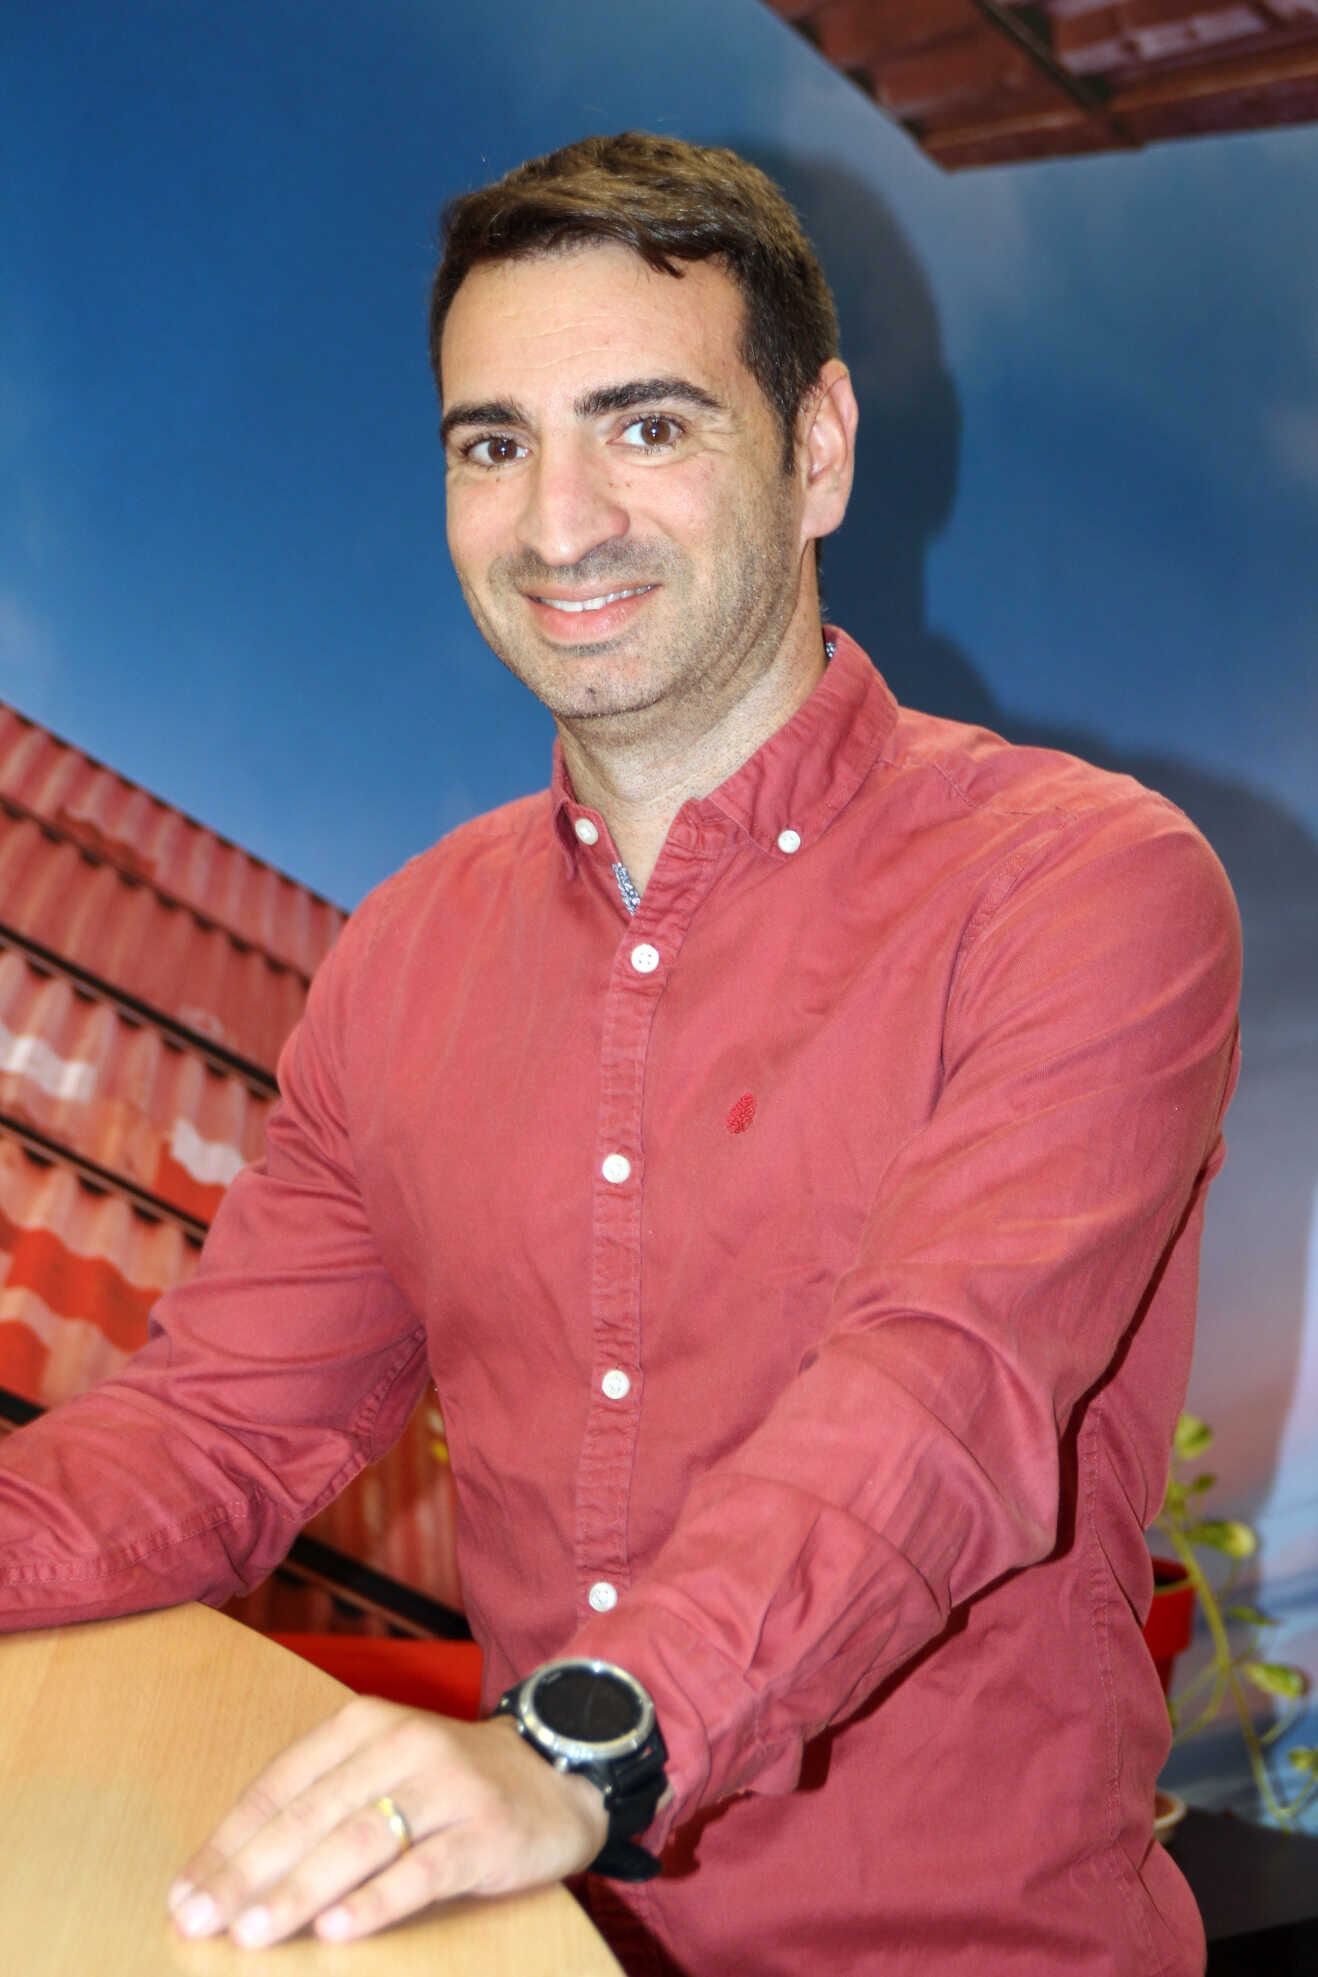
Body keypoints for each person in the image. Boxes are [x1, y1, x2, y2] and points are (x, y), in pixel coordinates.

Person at [0, 133, 1240, 1975]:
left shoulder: (1087, 886)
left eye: (644, 426)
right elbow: (214, 1432)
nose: (558, 521)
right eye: (493, 444)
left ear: (814, 450)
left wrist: (578, 1749)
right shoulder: (406, 949)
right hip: (512, 1939)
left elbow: (939, 1400)